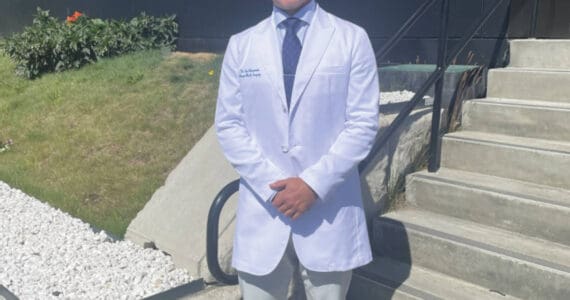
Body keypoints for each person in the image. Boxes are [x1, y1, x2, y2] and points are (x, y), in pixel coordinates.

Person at [215, 0, 379, 298]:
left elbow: (362, 125)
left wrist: (313, 185)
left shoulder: (352, 39)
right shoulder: (241, 45)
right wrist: (274, 187)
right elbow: (229, 125)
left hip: (327, 211)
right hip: (264, 211)